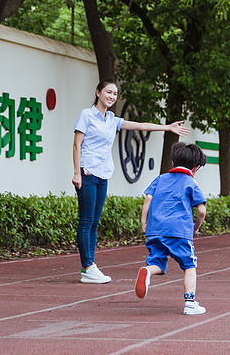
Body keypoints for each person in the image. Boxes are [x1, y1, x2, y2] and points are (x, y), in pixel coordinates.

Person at [72, 79, 189, 284]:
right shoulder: (86, 115)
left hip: (103, 174)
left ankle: (89, 267)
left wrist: (167, 128)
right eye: (108, 92)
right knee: (86, 221)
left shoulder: (112, 119)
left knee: (95, 222)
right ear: (98, 92)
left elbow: (141, 125)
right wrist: (76, 173)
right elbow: (76, 144)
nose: (112, 96)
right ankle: (88, 266)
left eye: (115, 94)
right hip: (87, 172)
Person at [135, 142, 208, 315]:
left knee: (157, 262)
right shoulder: (191, 182)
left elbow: (147, 200)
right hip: (179, 231)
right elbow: (202, 211)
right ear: (196, 167)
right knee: (189, 265)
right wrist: (195, 228)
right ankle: (190, 302)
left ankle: (147, 271)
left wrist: (144, 223)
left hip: (155, 230)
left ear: (173, 162)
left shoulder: (160, 179)